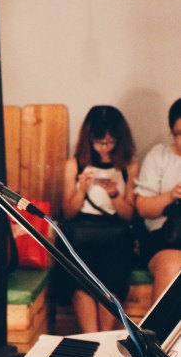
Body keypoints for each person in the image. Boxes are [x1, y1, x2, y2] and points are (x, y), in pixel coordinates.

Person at [59, 105, 138, 333]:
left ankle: (105, 339)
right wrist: (82, 189)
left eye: (111, 142)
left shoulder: (129, 165)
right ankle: (92, 338)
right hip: (81, 233)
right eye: (99, 142)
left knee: (112, 283)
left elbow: (129, 215)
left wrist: (114, 194)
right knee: (81, 283)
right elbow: (68, 213)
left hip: (116, 234)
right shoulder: (75, 164)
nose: (105, 147)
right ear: (89, 139)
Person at [135, 98, 181, 302]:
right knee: (171, 265)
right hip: (165, 238)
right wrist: (171, 195)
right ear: (171, 132)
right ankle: (161, 324)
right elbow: (143, 208)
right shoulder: (159, 156)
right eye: (179, 134)